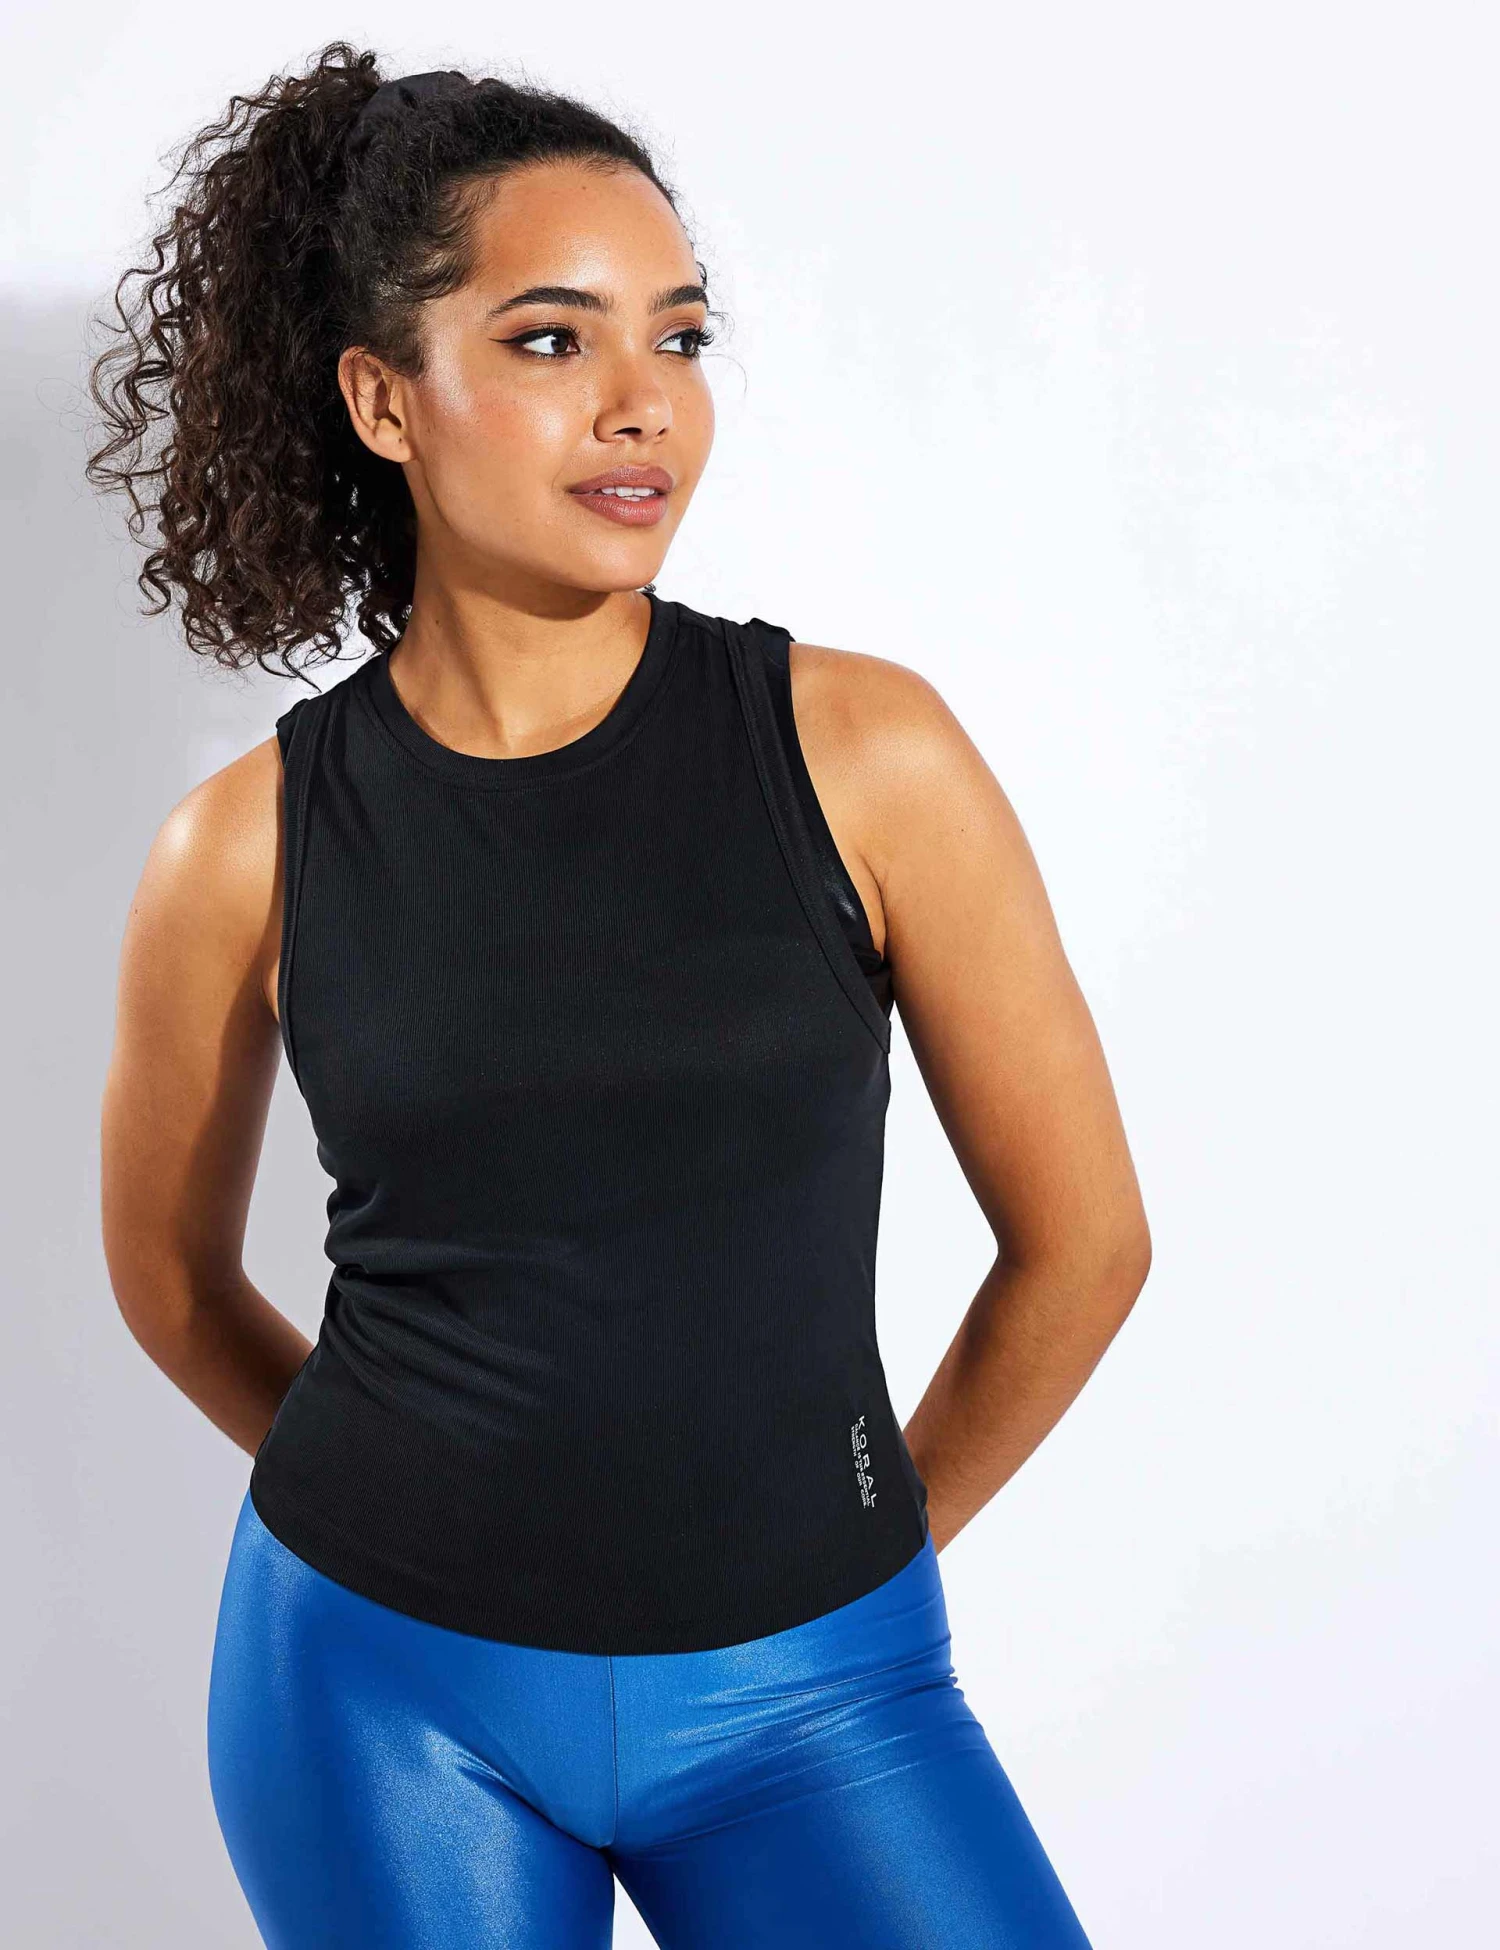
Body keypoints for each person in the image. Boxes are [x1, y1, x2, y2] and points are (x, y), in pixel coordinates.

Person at [92, 42, 1150, 1950]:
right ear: (383, 399)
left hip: (818, 1689)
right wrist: (432, 1506)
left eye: (679, 335)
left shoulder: (866, 754)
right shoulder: (241, 850)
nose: (642, 402)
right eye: (552, 340)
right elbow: (167, 1282)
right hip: (383, 1690)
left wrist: (852, 1545)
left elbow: (1085, 1244)